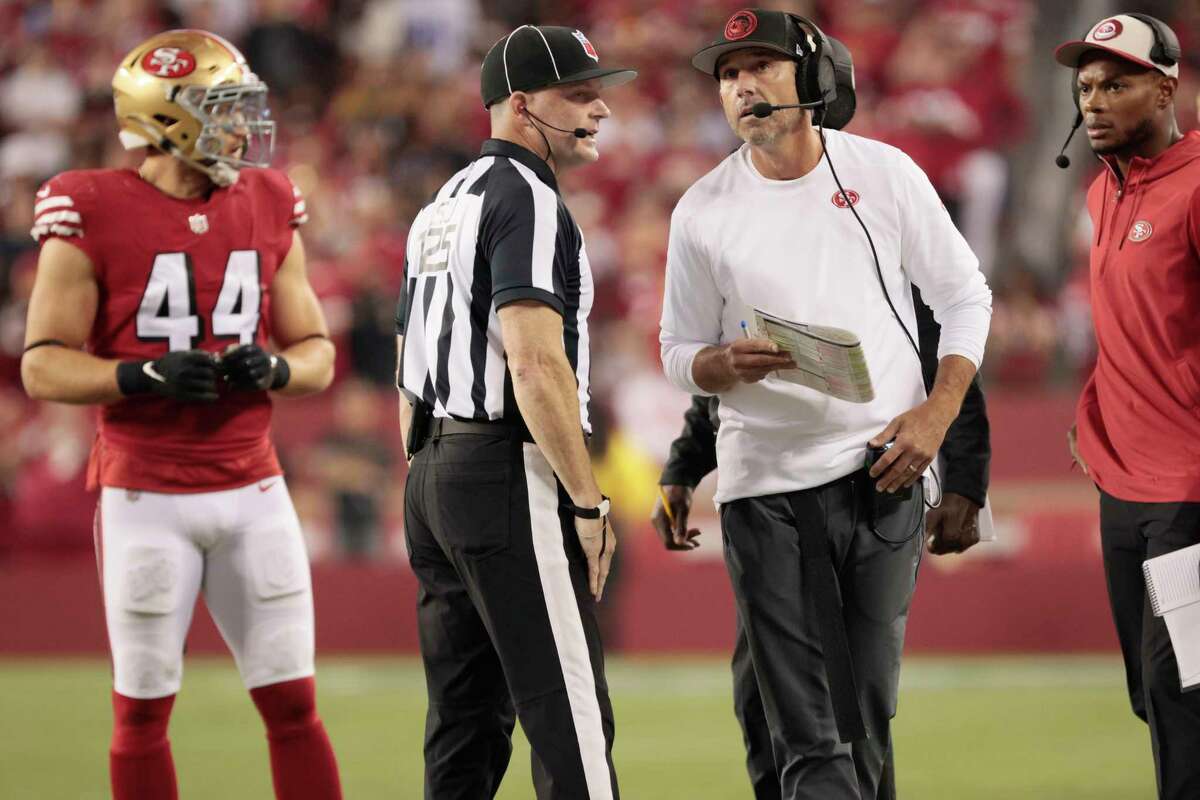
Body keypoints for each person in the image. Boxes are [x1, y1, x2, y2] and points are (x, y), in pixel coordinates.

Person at [659, 10, 992, 799]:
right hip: (764, 488)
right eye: (729, 76)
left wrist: (940, 420)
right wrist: (713, 363)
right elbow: (677, 353)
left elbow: (964, 298)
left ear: (813, 79)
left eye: (760, 67)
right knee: (807, 732)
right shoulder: (700, 210)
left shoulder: (886, 174)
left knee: (864, 721)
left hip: (883, 474)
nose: (741, 87)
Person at [20, 30, 342, 800]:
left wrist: (277, 367)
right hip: (147, 496)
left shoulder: (268, 201)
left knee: (294, 704)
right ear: (170, 119)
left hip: (253, 490)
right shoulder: (90, 206)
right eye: (224, 109)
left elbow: (318, 353)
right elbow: (41, 363)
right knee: (141, 714)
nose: (242, 127)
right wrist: (140, 375)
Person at [394, 24, 635, 800]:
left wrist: (436, 476)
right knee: (570, 715)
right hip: (503, 467)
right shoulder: (524, 197)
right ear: (523, 104)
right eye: (579, 95)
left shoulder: (442, 202)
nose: (599, 111)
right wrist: (586, 499)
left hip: (432, 469)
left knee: (464, 723)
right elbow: (534, 362)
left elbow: (409, 367)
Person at [653, 291, 991, 800]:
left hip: (865, 489)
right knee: (765, 699)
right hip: (767, 497)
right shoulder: (745, 242)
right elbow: (734, 379)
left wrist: (965, 480)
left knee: (848, 704)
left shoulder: (865, 234)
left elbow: (945, 343)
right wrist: (684, 466)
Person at [1055, 14, 1200, 799]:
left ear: (1167, 87)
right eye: (1085, 87)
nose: (1095, 101)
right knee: (1153, 696)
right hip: (1123, 489)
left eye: (1117, 83)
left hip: (1189, 491)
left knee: (1187, 695)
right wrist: (1097, 403)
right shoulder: (1101, 191)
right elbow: (1134, 327)